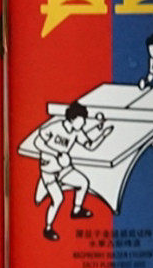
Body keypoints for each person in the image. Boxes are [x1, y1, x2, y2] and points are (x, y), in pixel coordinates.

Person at [32, 102, 109, 242]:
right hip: (49, 170)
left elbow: (90, 146)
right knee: (58, 199)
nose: (84, 123)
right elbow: (37, 143)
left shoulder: (77, 132)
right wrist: (57, 153)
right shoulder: (54, 127)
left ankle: (76, 210)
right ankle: (48, 228)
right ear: (73, 119)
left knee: (83, 183)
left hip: (64, 169)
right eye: (82, 120)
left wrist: (102, 134)